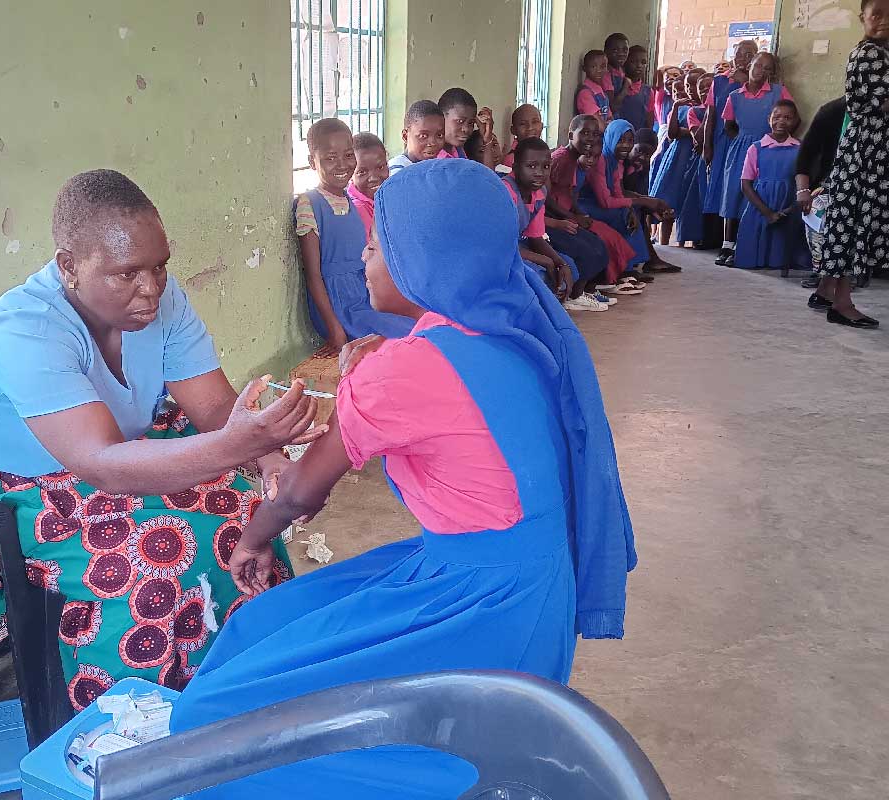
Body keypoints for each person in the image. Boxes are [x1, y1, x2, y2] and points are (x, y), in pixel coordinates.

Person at [169, 158, 636, 800]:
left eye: (375, 244)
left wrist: (252, 540)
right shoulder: (510, 330)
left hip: (475, 604)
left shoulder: (405, 372)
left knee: (217, 719)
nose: (363, 258)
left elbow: (304, 491)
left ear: (422, 261)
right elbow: (451, 392)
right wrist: (378, 370)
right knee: (266, 630)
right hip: (531, 591)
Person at [0, 170, 322, 710]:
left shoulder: (161, 304)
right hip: (18, 492)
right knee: (154, 557)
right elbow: (100, 464)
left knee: (248, 507)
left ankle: (234, 687)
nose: (152, 288)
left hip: (118, 453)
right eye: (126, 273)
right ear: (70, 266)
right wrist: (244, 443)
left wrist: (270, 456)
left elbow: (214, 407)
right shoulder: (23, 327)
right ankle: (129, 722)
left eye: (160, 266)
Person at [296, 119, 415, 355]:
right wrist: (334, 329)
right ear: (312, 162)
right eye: (330, 158)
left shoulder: (348, 201)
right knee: (408, 332)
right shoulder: (310, 203)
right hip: (341, 306)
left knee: (421, 322)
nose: (342, 165)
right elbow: (313, 276)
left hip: (363, 295)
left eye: (348, 155)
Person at [812, 0, 887, 327]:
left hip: (867, 149)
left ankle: (826, 290)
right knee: (855, 222)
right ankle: (842, 303)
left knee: (847, 219)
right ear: (863, 18)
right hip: (866, 153)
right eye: (878, 14)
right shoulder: (869, 55)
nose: (884, 20)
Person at [716, 52, 794, 266]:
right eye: (759, 65)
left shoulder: (779, 92)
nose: (762, 71)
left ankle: (744, 245)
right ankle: (727, 244)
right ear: (750, 65)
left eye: (768, 68)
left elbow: (791, 116)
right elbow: (729, 126)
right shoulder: (735, 96)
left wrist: (774, 141)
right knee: (733, 192)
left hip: (767, 148)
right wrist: (743, 140)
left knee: (756, 194)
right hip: (741, 147)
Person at [553, 115, 644, 292]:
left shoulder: (577, 159)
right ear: (571, 135)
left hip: (570, 213)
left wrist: (578, 214)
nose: (590, 138)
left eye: (595, 134)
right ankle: (589, 288)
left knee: (607, 237)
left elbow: (572, 193)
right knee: (599, 241)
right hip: (558, 217)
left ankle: (614, 277)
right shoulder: (562, 159)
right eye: (585, 133)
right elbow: (547, 196)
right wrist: (573, 216)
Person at [584, 119, 679, 272]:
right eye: (621, 140)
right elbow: (607, 201)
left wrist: (648, 203)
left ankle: (636, 264)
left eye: (629, 141)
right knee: (625, 213)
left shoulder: (616, 162)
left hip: (604, 202)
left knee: (632, 210)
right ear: (611, 137)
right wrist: (643, 202)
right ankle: (628, 268)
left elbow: (618, 193)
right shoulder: (601, 159)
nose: (625, 145)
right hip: (587, 205)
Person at [734, 100, 808, 272]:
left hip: (789, 203)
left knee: (786, 245)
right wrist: (767, 212)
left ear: (795, 121)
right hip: (761, 205)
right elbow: (746, 183)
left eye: (788, 118)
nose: (781, 121)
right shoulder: (756, 148)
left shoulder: (800, 147)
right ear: (769, 119)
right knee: (755, 249)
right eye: (777, 117)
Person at [503, 137, 578, 301]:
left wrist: (559, 263)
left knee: (569, 266)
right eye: (531, 166)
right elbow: (501, 245)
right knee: (537, 275)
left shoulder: (538, 193)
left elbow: (535, 238)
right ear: (515, 167)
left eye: (545, 166)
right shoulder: (506, 192)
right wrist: (544, 260)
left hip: (518, 247)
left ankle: (553, 303)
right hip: (498, 252)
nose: (539, 173)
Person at [702, 40, 759, 242]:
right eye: (739, 54)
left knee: (741, 186)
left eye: (749, 54)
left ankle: (739, 238)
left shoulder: (757, 83)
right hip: (721, 140)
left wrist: (745, 81)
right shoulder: (719, 81)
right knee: (721, 186)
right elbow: (711, 115)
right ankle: (719, 238)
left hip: (742, 142)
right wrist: (707, 145)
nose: (743, 59)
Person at [793, 96, 846, 291]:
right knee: (816, 209)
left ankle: (850, 270)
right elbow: (806, 153)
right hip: (830, 182)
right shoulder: (832, 111)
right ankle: (822, 270)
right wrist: (803, 190)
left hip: (872, 185)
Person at [650, 69, 703, 244]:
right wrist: (676, 108)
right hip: (677, 157)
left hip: (695, 157)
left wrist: (686, 132)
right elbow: (673, 133)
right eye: (680, 89)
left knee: (690, 199)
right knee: (670, 197)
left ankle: (688, 241)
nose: (684, 92)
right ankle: (664, 243)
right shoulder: (679, 109)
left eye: (690, 86)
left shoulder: (704, 109)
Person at [673, 71, 713, 245]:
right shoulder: (694, 111)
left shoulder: (727, 107)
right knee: (694, 199)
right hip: (698, 160)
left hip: (718, 160)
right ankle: (694, 238)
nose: (704, 91)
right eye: (701, 88)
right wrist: (710, 112)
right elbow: (698, 137)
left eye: (709, 88)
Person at [348, 132, 389, 237]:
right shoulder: (358, 210)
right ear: (350, 175)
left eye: (380, 167)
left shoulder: (389, 196)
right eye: (362, 172)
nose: (374, 178)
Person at [388, 100, 445, 173]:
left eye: (439, 135)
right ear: (405, 136)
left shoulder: (437, 167)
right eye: (423, 136)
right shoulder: (397, 170)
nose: (433, 143)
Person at [618, 45, 656, 131]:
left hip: (638, 137)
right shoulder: (617, 85)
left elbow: (649, 121)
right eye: (634, 62)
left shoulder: (648, 91)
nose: (639, 66)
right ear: (625, 62)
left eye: (643, 62)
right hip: (618, 137)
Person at [499, 103, 544, 170]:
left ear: (541, 125)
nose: (530, 128)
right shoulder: (513, 160)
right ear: (513, 130)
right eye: (523, 124)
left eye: (535, 122)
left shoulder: (542, 151)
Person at [435, 87, 478, 158]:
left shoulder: (458, 151)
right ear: (441, 118)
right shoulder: (432, 157)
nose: (466, 129)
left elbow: (484, 170)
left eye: (471, 123)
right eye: (460, 121)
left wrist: (487, 138)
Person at [576, 50, 614, 123]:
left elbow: (610, 117)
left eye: (603, 66)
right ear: (584, 68)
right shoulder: (585, 93)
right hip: (594, 133)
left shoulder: (601, 91)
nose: (599, 70)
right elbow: (597, 123)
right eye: (593, 67)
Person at [604, 32, 631, 112]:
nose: (621, 54)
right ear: (606, 51)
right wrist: (626, 86)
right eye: (615, 50)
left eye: (625, 50)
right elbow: (612, 107)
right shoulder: (606, 74)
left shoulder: (620, 70)